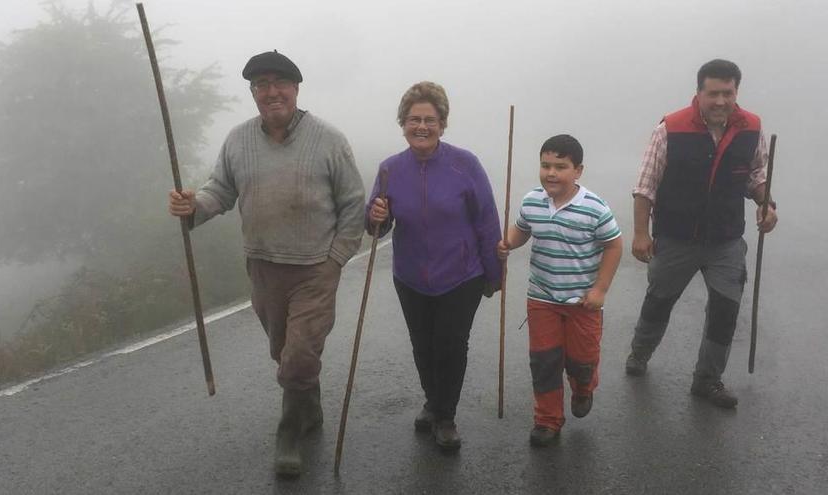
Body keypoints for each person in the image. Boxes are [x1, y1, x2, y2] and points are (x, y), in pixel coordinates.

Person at [168, 50, 365, 477]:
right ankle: (308, 408)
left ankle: (288, 433)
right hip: (262, 267)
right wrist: (192, 207)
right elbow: (219, 190)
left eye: (279, 83)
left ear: (296, 89)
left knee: (298, 354)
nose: (271, 92)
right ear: (254, 93)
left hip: (315, 268)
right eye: (261, 85)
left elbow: (353, 205)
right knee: (284, 352)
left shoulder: (328, 139)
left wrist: (335, 260)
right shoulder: (238, 140)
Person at [625, 59, 778, 409]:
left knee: (725, 310)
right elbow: (645, 186)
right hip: (677, 237)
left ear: (736, 92)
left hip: (725, 240)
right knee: (659, 300)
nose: (721, 101)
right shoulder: (671, 128)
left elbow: (755, 174)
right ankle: (639, 353)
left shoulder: (751, 127)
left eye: (728, 93)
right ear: (699, 93)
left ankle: (707, 380)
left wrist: (765, 203)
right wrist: (640, 234)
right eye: (713, 93)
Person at [367, 81, 502, 451]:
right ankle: (432, 400)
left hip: (461, 275)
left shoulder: (465, 164)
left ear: (442, 124)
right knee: (422, 345)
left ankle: (445, 417)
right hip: (410, 276)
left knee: (451, 345)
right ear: (403, 124)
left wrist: (494, 274)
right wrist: (376, 214)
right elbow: (376, 225)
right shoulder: (390, 169)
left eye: (429, 119)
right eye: (413, 119)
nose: (421, 126)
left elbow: (487, 220)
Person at [497, 134, 622, 447]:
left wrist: (600, 290)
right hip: (541, 298)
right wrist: (508, 243)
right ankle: (547, 420)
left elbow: (614, 245)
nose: (551, 173)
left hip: (584, 302)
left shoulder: (594, 208)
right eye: (545, 165)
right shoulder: (531, 201)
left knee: (582, 359)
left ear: (578, 170)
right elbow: (522, 230)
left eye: (560, 167)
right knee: (544, 361)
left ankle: (583, 387)